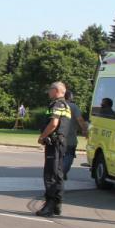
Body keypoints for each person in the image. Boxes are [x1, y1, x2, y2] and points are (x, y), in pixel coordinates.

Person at [36, 82, 72, 217]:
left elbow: (54, 123)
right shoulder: (66, 105)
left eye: (49, 89)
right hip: (61, 143)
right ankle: (57, 204)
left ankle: (49, 206)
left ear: (56, 90)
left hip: (54, 143)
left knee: (50, 174)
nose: (48, 92)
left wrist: (42, 136)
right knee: (58, 174)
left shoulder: (56, 104)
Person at [62, 90, 88, 180]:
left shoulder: (55, 105)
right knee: (69, 154)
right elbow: (80, 120)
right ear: (70, 97)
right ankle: (62, 172)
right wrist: (85, 130)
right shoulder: (73, 107)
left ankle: (58, 171)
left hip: (57, 136)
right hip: (70, 137)